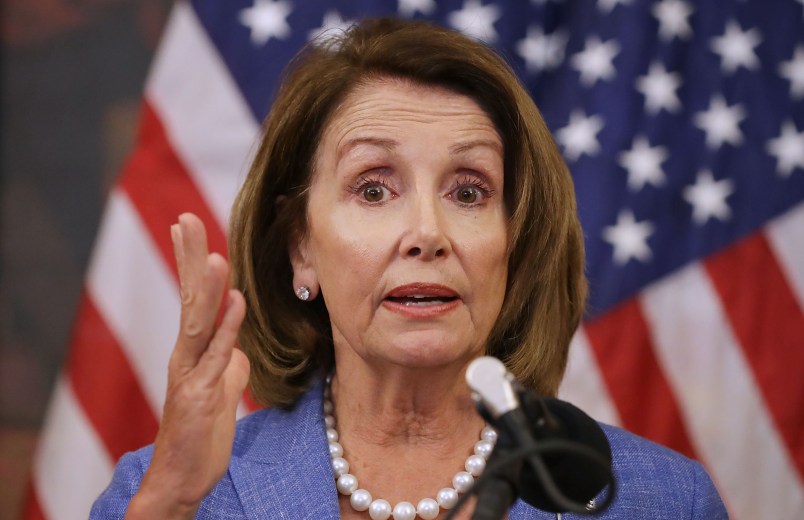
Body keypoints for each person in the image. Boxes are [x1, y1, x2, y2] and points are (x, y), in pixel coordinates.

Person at [91, 17, 728, 520]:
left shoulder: (663, 500)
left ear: (516, 244)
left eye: (470, 191)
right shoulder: (173, 498)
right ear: (300, 249)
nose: (428, 233)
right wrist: (170, 504)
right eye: (373, 189)